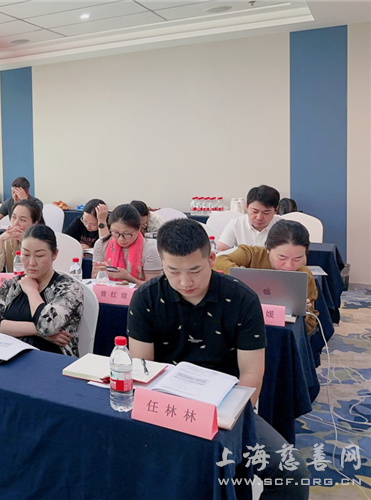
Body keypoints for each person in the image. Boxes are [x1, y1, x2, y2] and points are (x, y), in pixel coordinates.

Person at [127, 218, 309, 500]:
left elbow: (252, 374)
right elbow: (143, 370)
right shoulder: (146, 298)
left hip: (226, 410)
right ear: (161, 263)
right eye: (173, 271)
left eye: (195, 270)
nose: (185, 282)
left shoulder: (242, 299)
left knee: (292, 472)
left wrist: (229, 420)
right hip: (166, 408)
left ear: (211, 259)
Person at [0, 225, 84, 357]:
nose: (31, 262)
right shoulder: (13, 284)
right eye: (26, 254)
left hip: (52, 359)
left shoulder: (69, 288)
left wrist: (31, 290)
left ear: (54, 254)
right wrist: (38, 332)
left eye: (39, 255)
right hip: (9, 356)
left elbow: (48, 325)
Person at [214, 220, 319, 334]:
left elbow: (311, 323)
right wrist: (247, 277)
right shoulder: (252, 254)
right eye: (282, 257)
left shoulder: (304, 275)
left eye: (297, 259)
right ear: (268, 249)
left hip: (280, 333)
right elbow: (218, 262)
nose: (289, 265)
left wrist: (304, 313)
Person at [90, 204, 162, 285]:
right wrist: (102, 272)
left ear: (138, 229)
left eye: (127, 234)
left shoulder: (150, 250)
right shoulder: (101, 244)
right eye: (116, 233)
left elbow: (153, 287)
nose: (121, 239)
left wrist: (128, 278)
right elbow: (93, 278)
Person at [217, 185, 281, 252]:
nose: (259, 217)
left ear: (276, 210)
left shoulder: (284, 227)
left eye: (266, 213)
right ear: (247, 206)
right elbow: (219, 249)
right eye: (255, 211)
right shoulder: (236, 224)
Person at [0, 200, 43, 273]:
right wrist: (0, 240)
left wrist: (24, 243)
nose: (15, 223)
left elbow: (37, 271)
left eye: (22, 220)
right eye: (13, 217)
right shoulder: (8, 239)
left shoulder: (42, 242)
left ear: (34, 223)